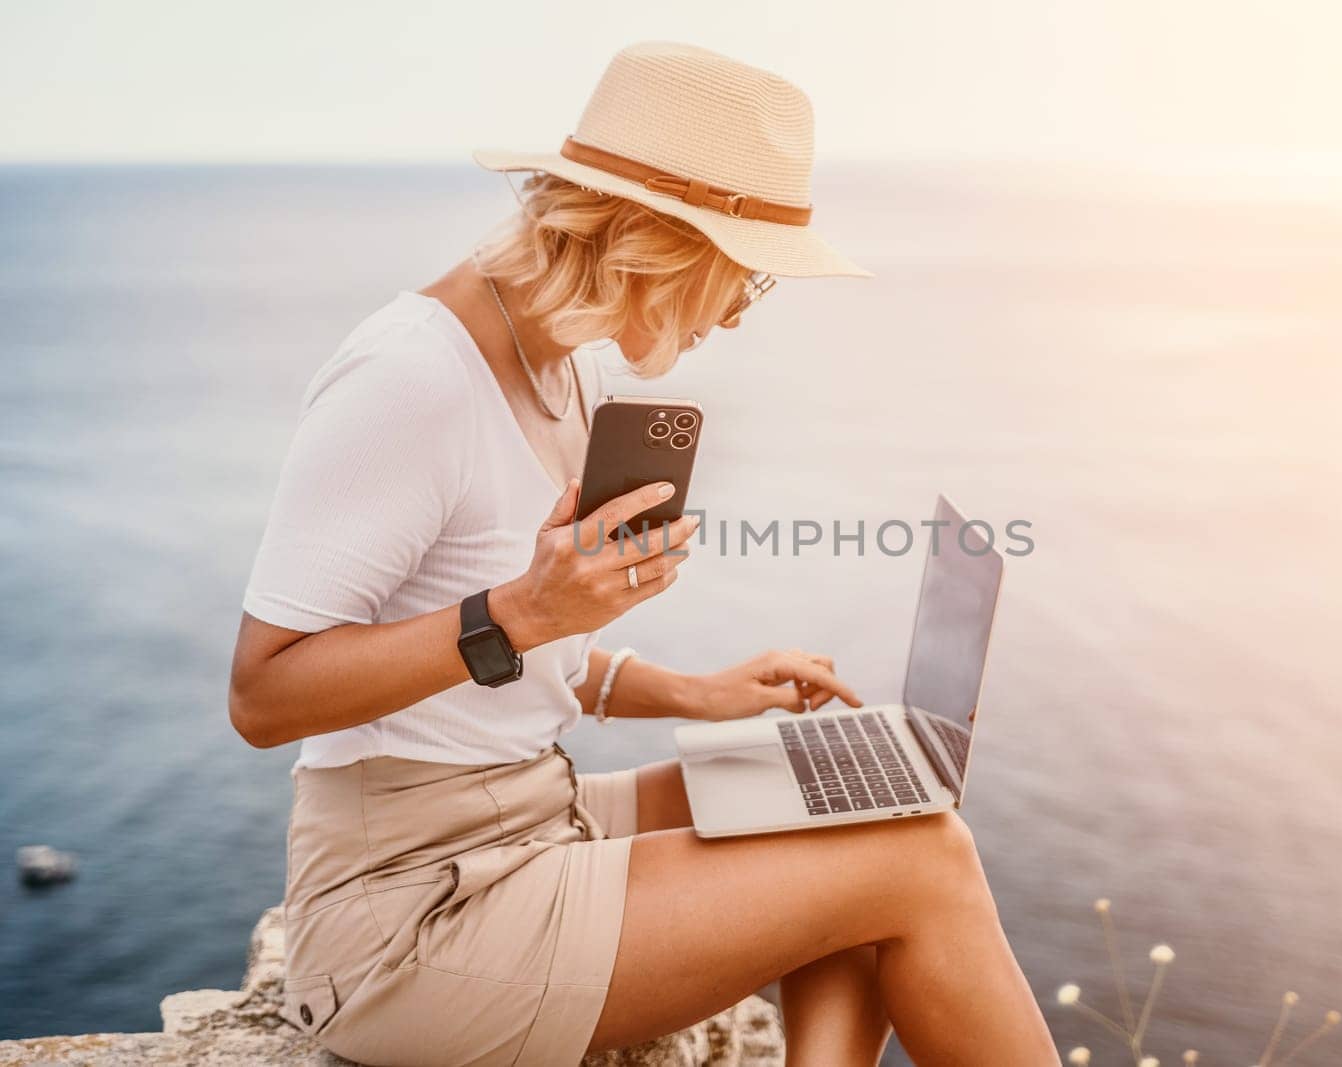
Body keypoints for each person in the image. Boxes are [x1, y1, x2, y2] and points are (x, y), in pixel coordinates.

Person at [229, 40, 1058, 1067]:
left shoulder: (553, 367)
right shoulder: (413, 380)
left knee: (851, 784)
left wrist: (698, 692)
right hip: (409, 917)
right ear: (659, 242)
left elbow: (523, 660)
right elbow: (263, 698)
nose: (737, 310)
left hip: (528, 814)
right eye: (745, 277)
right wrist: (521, 612)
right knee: (920, 857)